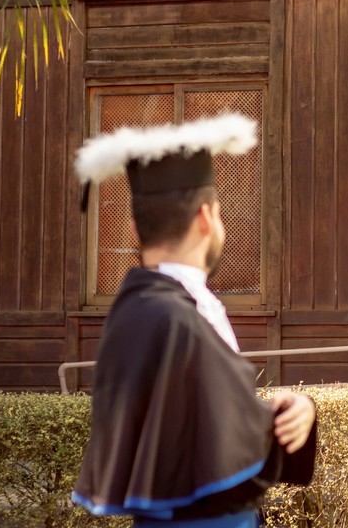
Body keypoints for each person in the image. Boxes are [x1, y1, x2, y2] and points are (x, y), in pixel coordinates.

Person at [71, 113, 318, 526]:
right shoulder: (178, 319)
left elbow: (201, 419)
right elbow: (226, 435)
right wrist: (297, 411)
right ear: (207, 218)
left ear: (134, 230)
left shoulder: (136, 309)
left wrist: (287, 411)